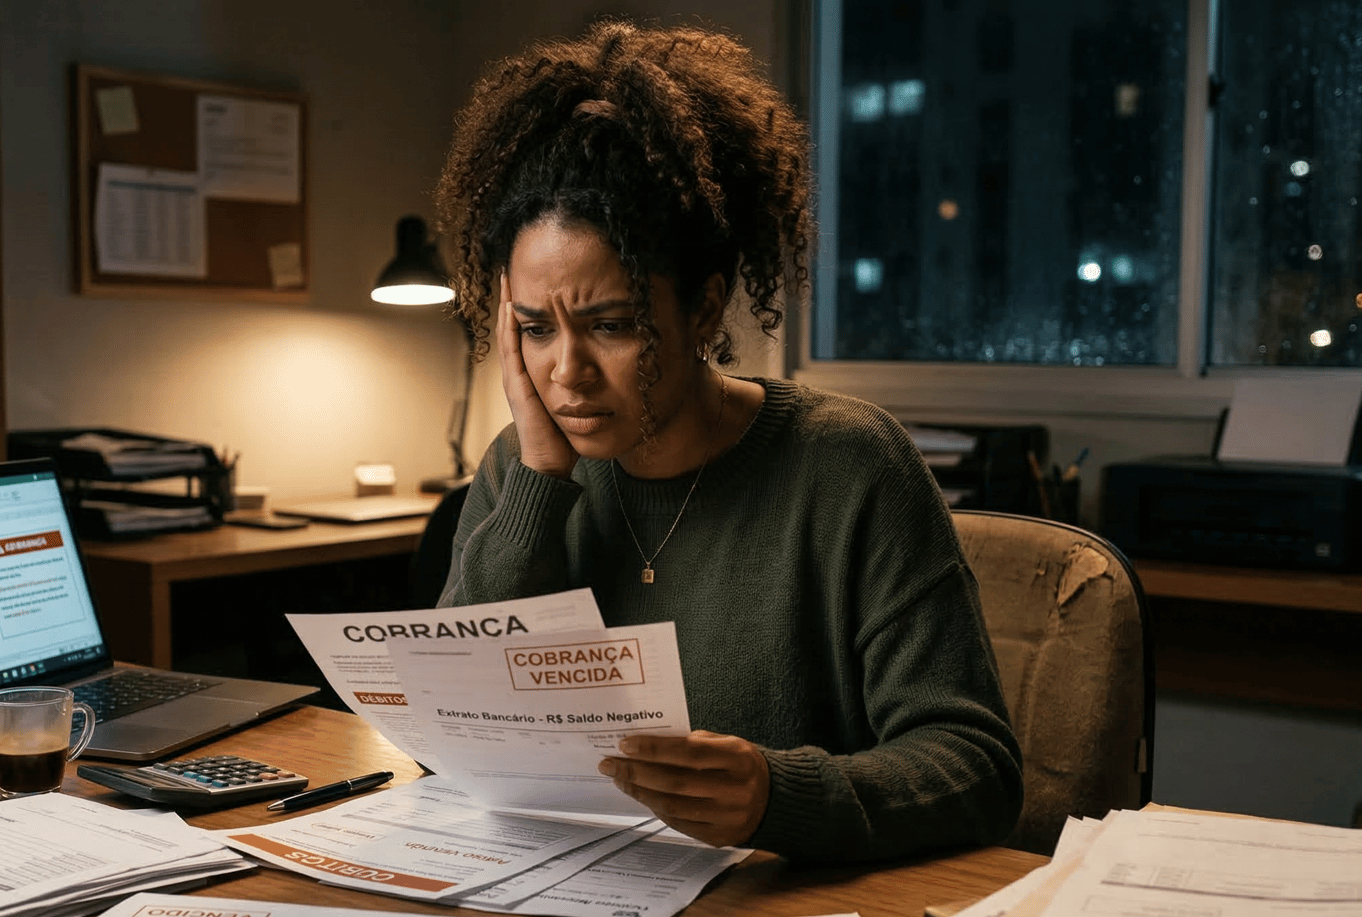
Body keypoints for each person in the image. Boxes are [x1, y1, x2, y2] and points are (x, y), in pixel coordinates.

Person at [431, 21, 1021, 864]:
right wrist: (537, 482)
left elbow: (979, 768)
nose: (567, 372)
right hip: (568, 905)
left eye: (612, 325)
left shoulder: (850, 464)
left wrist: (780, 796)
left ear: (703, 309)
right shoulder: (524, 467)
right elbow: (453, 728)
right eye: (534, 328)